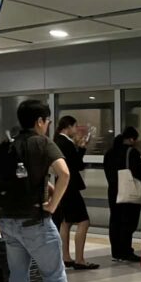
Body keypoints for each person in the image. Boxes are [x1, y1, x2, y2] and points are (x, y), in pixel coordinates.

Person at [0, 99, 100, 282]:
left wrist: (48, 188)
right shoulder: (42, 142)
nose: (47, 125)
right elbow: (65, 173)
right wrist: (52, 206)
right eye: (47, 121)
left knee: (18, 275)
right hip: (35, 221)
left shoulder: (9, 144)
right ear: (40, 121)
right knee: (53, 273)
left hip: (8, 220)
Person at [53, 116, 98, 270]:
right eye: (75, 126)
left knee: (66, 222)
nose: (76, 129)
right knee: (84, 221)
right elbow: (77, 165)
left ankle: (66, 257)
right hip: (70, 187)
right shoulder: (66, 143)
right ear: (68, 127)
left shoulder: (57, 141)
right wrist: (82, 147)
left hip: (62, 186)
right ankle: (80, 259)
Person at [103, 127, 141, 262]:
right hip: (128, 191)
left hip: (113, 191)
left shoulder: (109, 152)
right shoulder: (132, 152)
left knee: (115, 220)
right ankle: (126, 252)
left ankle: (116, 252)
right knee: (128, 221)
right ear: (132, 139)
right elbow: (140, 173)